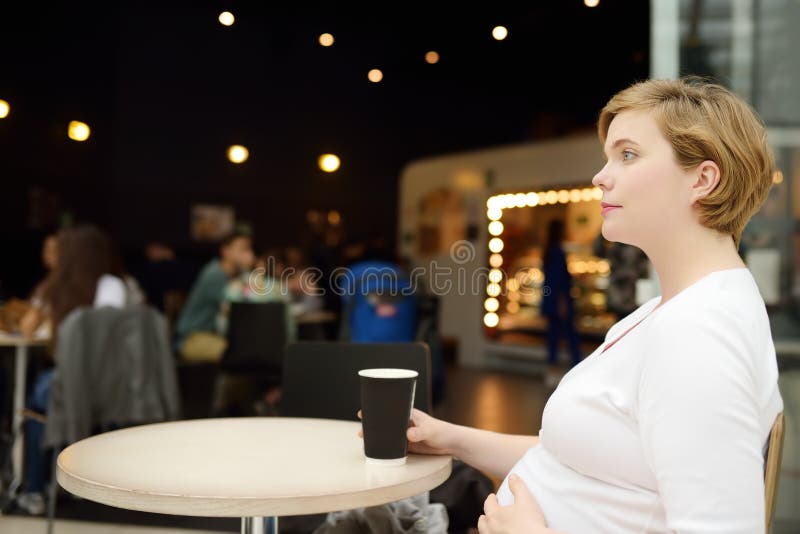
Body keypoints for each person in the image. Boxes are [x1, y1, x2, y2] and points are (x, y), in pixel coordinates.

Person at [377, 77, 783, 533]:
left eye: (627, 155)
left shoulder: (699, 334)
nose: (600, 176)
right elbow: (581, 459)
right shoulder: (669, 312)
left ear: (703, 179)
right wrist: (449, 437)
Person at [17, 224, 129, 515]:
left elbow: (27, 330)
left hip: (67, 382)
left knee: (36, 407)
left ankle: (32, 488)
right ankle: (71, 477)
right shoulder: (115, 287)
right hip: (111, 385)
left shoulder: (55, 286)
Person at [173, 230, 254, 362]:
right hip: (192, 338)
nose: (248, 254)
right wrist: (249, 270)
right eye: (242, 249)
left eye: (249, 249)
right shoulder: (214, 274)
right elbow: (238, 302)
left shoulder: (234, 276)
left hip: (212, 336)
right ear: (225, 251)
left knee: (245, 351)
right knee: (238, 353)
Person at [540, 219, 582, 387]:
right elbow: (559, 280)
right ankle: (579, 371)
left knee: (552, 338)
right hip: (560, 301)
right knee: (571, 338)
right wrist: (563, 302)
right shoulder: (558, 252)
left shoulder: (548, 250)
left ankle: (552, 371)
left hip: (550, 300)